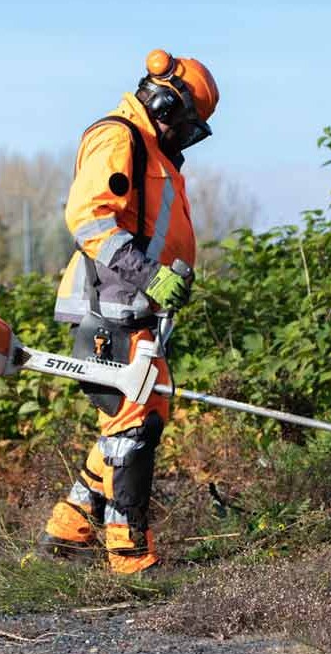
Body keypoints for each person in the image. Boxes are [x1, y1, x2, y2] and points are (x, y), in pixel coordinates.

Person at [41, 49, 220, 573]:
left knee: (143, 412)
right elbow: (88, 218)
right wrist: (151, 276)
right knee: (134, 424)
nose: (185, 135)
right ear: (167, 102)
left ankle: (70, 525)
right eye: (187, 123)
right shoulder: (119, 137)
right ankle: (129, 554)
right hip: (112, 307)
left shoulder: (150, 149)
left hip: (141, 306)